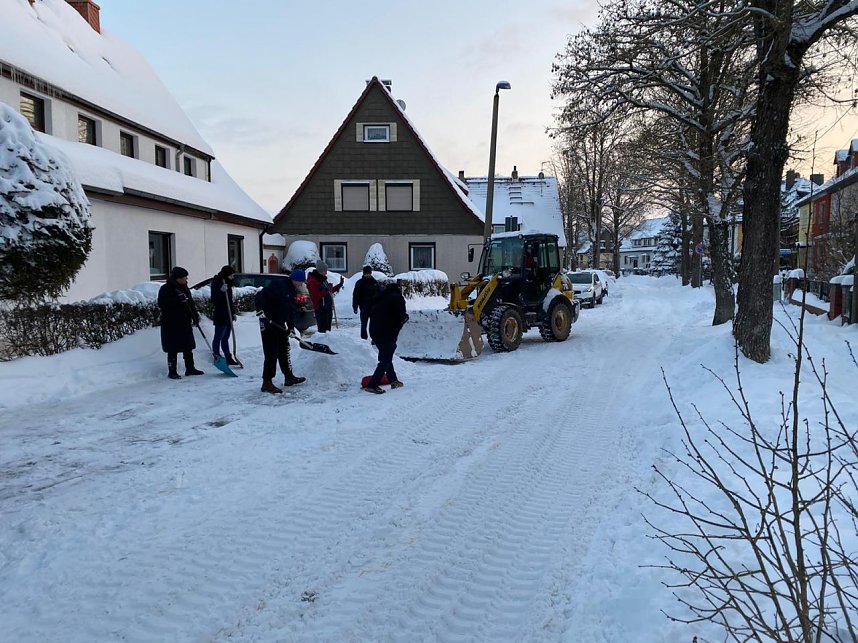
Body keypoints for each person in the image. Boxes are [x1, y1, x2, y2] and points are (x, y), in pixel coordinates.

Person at [255, 268, 307, 394]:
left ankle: (289, 377)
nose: (301, 284)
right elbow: (260, 295)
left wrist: (291, 328)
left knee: (284, 350)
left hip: (279, 323)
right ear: (295, 279)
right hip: (268, 322)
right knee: (271, 353)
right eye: (300, 282)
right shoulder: (278, 285)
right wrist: (260, 309)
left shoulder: (292, 290)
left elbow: (290, 310)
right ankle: (267, 382)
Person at [157, 266, 204, 380]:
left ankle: (190, 368)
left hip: (184, 322)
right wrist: (176, 300)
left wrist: (195, 316)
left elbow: (190, 303)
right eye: (184, 278)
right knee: (172, 348)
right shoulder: (166, 289)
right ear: (177, 278)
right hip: (171, 323)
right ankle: (172, 371)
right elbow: (162, 304)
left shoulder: (185, 288)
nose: (186, 280)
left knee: (188, 346)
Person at [364, 280, 409, 394]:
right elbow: (401, 316)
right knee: (385, 359)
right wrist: (405, 318)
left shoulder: (379, 297)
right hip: (388, 332)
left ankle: (393, 380)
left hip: (374, 331)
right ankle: (372, 385)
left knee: (386, 355)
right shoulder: (397, 298)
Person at [211, 265, 239, 365]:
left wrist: (233, 312)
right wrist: (221, 291)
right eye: (231, 275)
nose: (232, 277)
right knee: (218, 336)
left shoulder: (228, 284)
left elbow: (230, 301)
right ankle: (217, 356)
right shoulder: (217, 283)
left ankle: (228, 357)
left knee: (225, 338)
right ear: (226, 275)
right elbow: (214, 300)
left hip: (228, 315)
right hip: (220, 314)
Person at [306, 260, 342, 333]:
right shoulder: (313, 281)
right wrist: (325, 290)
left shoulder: (323, 280)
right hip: (321, 309)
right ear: (320, 271)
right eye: (324, 271)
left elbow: (329, 291)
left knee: (328, 330)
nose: (326, 273)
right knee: (322, 331)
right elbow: (315, 295)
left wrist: (339, 285)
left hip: (327, 308)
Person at [352, 265, 380, 340]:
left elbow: (379, 294)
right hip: (364, 306)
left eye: (369, 273)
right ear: (363, 273)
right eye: (366, 273)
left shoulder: (374, 282)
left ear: (371, 273)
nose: (367, 275)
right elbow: (355, 295)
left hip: (373, 307)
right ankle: (363, 338)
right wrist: (355, 306)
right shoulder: (359, 283)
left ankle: (374, 338)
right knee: (364, 323)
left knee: (374, 324)